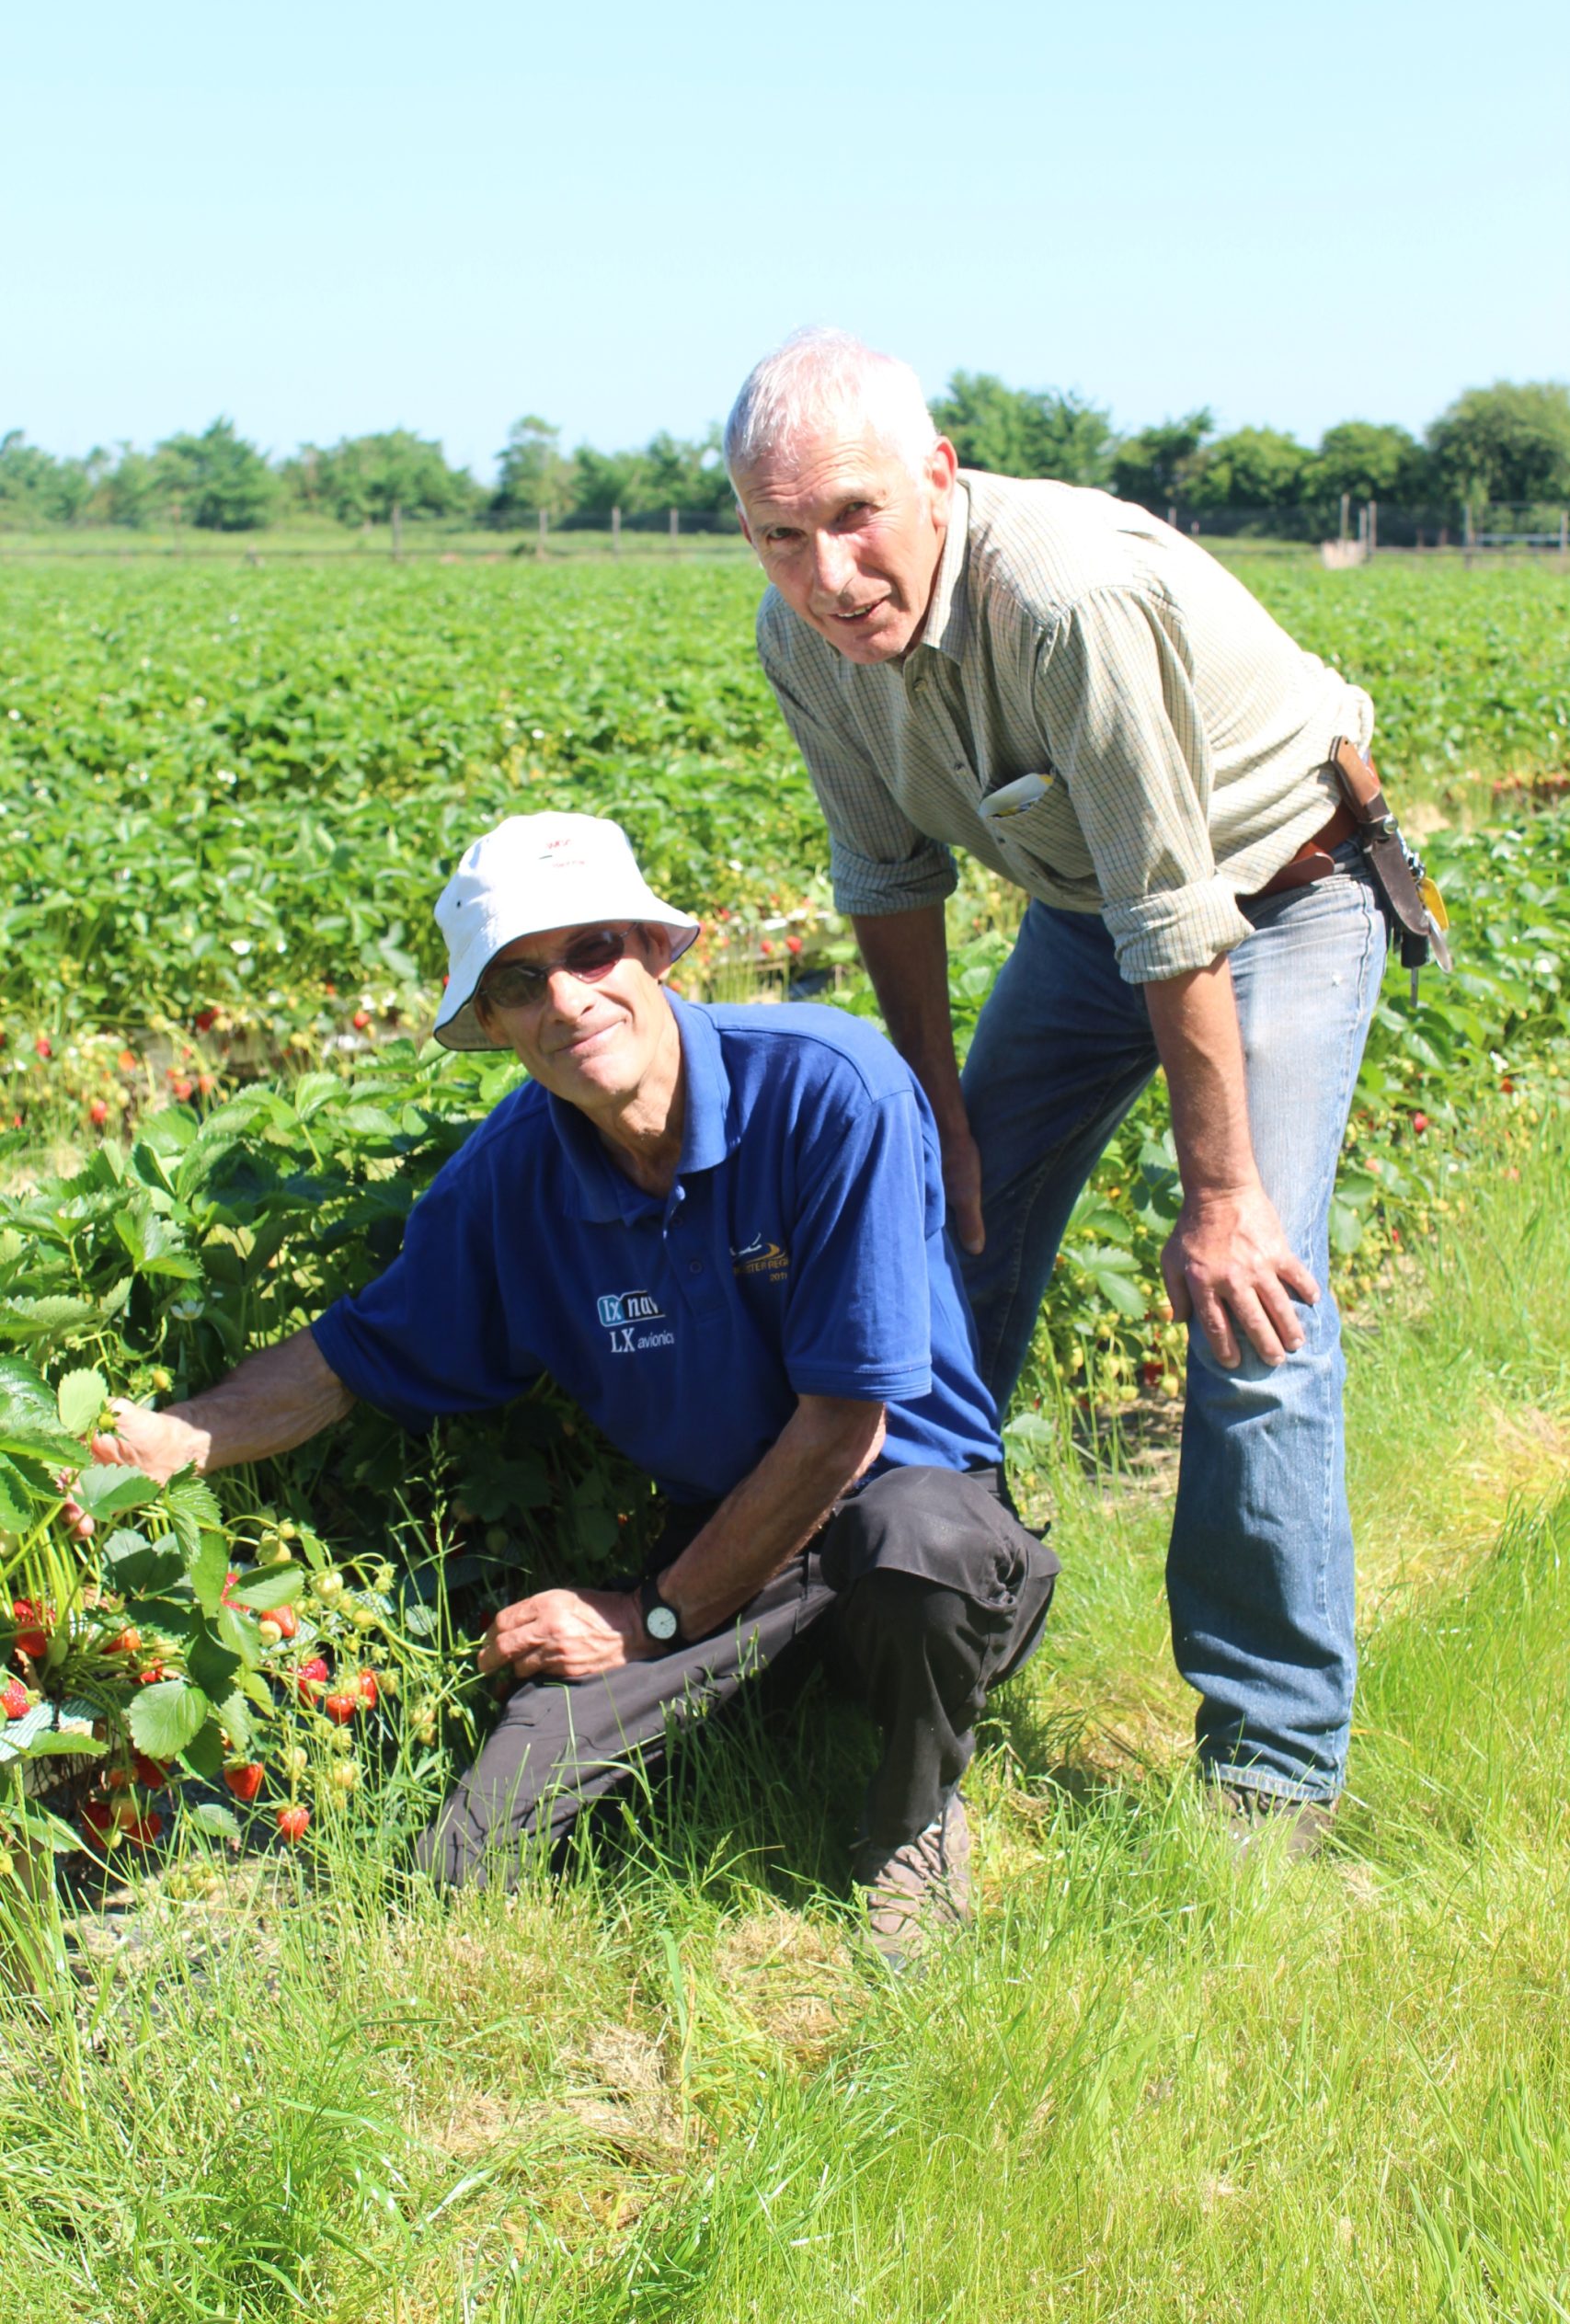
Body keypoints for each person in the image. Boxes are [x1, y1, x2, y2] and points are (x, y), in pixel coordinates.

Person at [95, 811, 1056, 1958]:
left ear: (654, 951)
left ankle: (910, 1817)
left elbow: (848, 1425)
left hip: (897, 1499)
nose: (566, 999)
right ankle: (768, 1692)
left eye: (591, 950)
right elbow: (349, 1357)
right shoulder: (511, 1180)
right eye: (518, 980)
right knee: (468, 1858)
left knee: (919, 1546)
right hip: (726, 1543)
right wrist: (177, 1436)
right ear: (493, 1023)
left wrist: (652, 1617)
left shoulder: (827, 1089)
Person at [725, 329, 1389, 1847]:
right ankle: (919, 1642)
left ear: (936, 480)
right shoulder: (802, 644)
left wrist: (1219, 1200)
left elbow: (1179, 914)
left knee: (1255, 1300)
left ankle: (1271, 1761)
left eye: (854, 517)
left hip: (1278, 891)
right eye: (780, 535)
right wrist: (935, 1112)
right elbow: (884, 875)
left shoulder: (1067, 599)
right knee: (934, 1248)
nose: (826, 571)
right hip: (1090, 916)